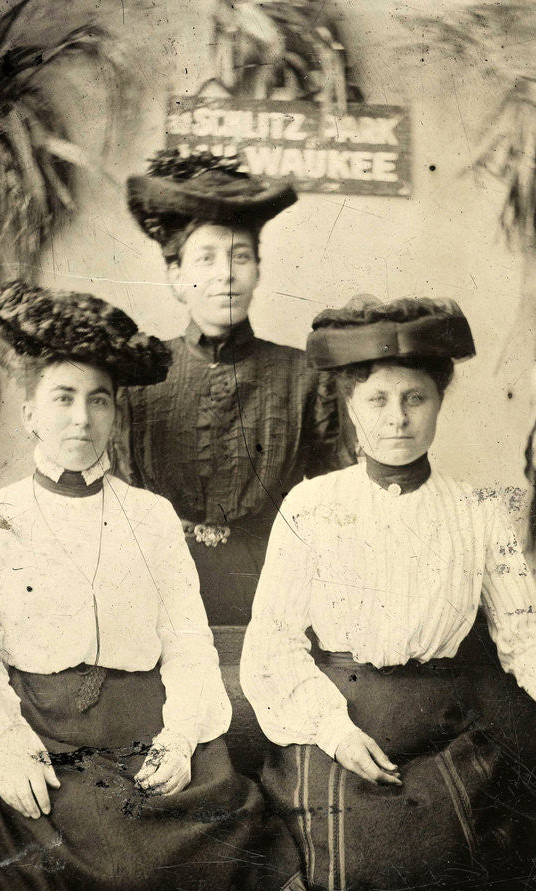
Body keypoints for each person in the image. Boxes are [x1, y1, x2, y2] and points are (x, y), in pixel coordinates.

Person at [0, 281, 305, 891]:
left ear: (114, 413)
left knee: (220, 833)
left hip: (143, 732)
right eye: (63, 397)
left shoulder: (150, 516)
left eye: (99, 400)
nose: (81, 417)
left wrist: (186, 736)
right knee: (36, 848)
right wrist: (9, 744)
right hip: (49, 737)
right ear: (29, 411)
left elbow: (188, 642)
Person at [240, 294, 536, 891]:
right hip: (337, 727)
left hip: (448, 730)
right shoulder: (312, 507)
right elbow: (272, 647)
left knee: (449, 858)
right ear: (351, 405)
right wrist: (332, 730)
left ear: (439, 403)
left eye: (414, 398)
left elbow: (525, 636)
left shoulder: (480, 513)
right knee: (355, 863)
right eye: (378, 399)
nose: (396, 418)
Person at [120, 149, 351, 624]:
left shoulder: (306, 375)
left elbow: (337, 505)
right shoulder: (135, 378)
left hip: (277, 590)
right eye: (206, 258)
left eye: (240, 257)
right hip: (159, 590)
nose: (225, 273)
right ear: (177, 277)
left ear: (258, 272)